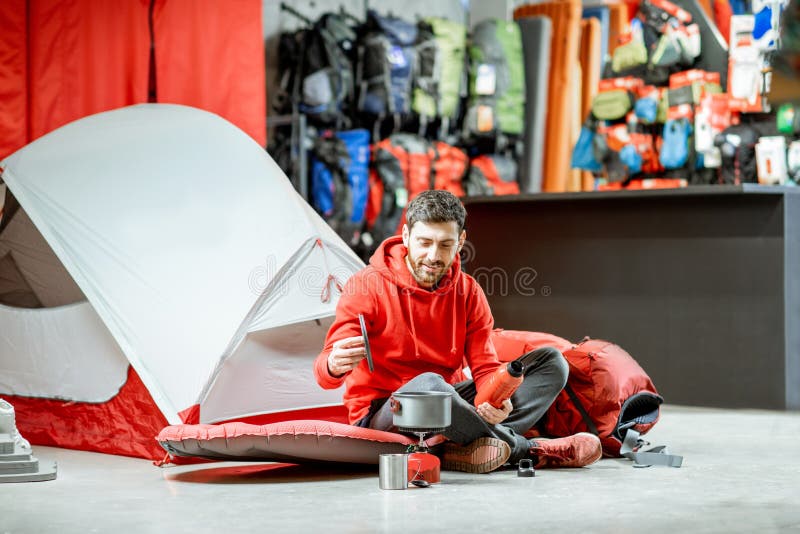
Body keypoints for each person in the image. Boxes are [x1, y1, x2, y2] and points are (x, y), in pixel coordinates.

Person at [314, 190, 602, 473]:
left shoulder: (468, 291)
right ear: (405, 236)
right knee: (427, 386)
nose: (432, 255)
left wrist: (498, 399)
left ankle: (463, 444)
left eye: (445, 245)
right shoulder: (365, 286)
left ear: (461, 241)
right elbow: (324, 374)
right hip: (385, 413)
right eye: (424, 242)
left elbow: (486, 369)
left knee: (552, 362)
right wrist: (333, 364)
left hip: (450, 402)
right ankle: (526, 450)